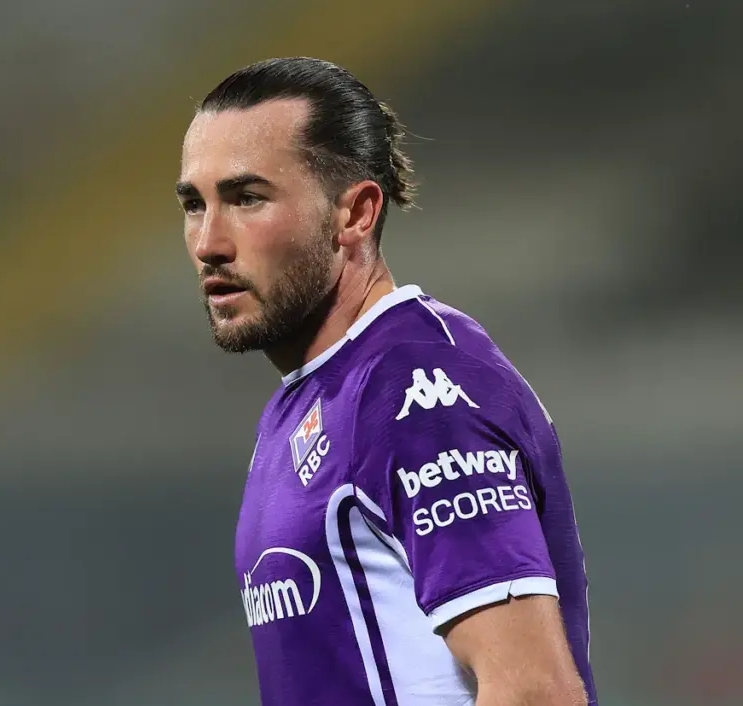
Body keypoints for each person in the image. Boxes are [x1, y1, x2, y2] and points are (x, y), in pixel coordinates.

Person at [176, 57, 596, 706]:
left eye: (246, 198)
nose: (208, 242)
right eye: (193, 204)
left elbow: (535, 691)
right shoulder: (307, 400)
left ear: (356, 214)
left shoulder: (418, 392)